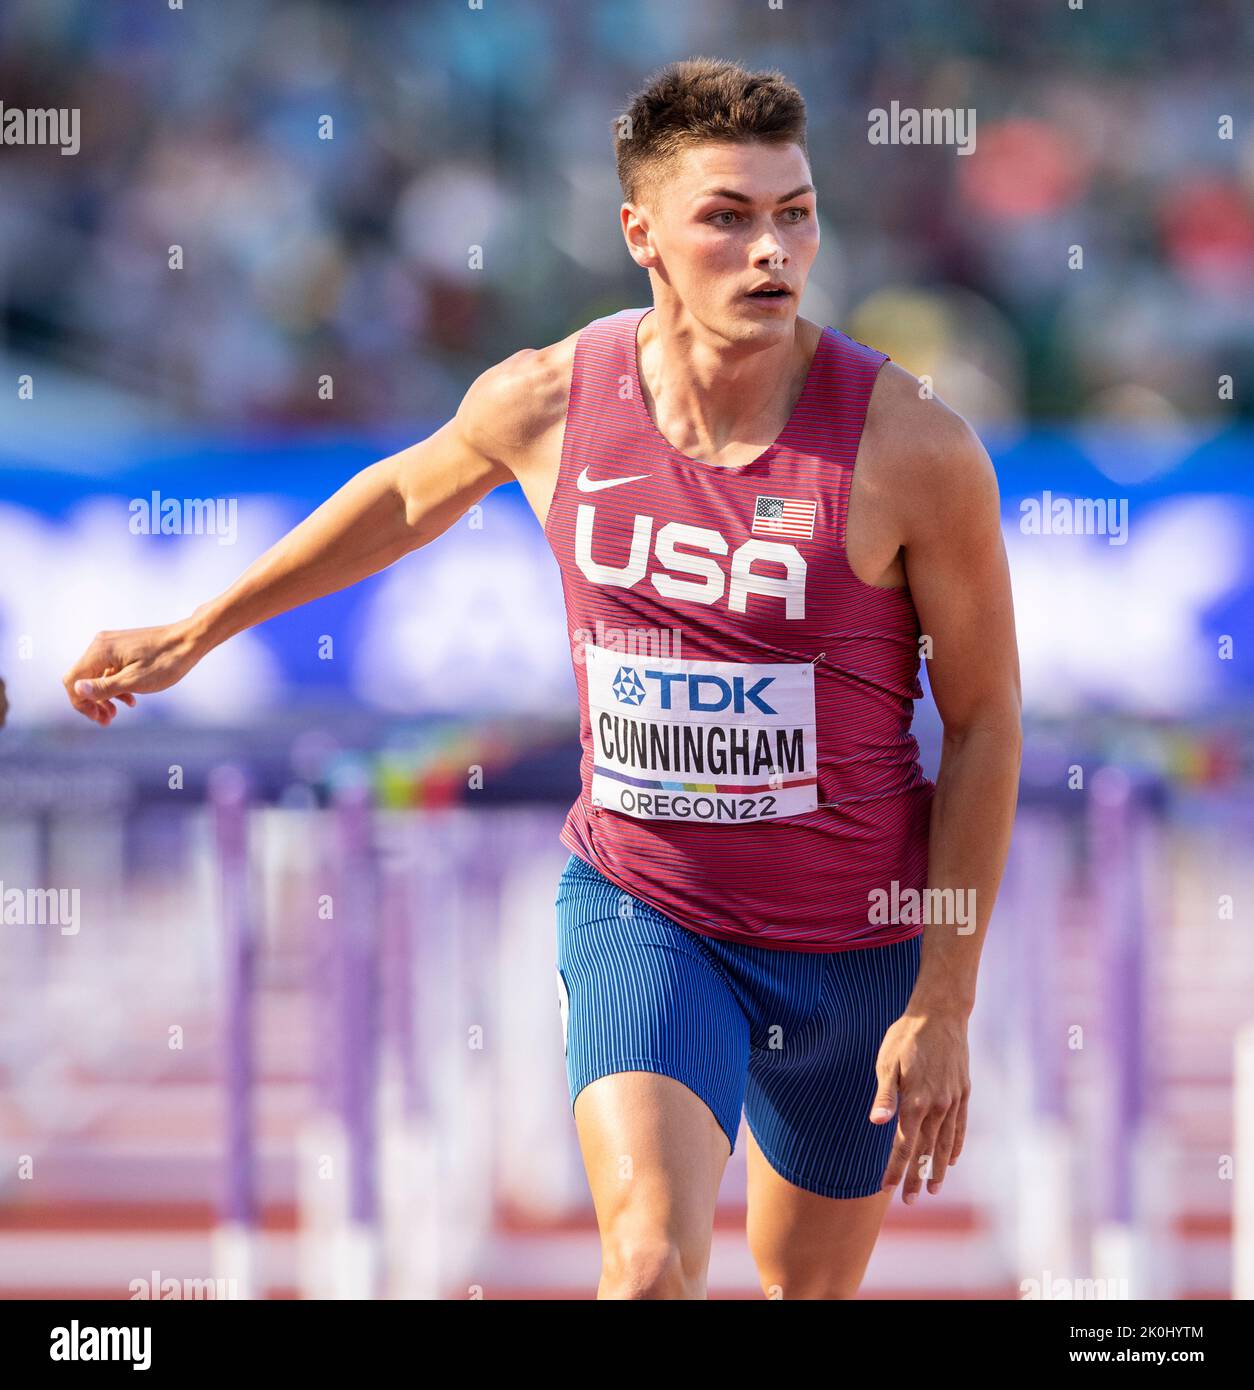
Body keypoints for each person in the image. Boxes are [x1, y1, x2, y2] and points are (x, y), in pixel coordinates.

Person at [63, 57, 1022, 1300]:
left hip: (856, 944)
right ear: (642, 236)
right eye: (726, 217)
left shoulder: (913, 448)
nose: (771, 251)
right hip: (649, 908)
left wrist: (945, 997)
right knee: (647, 1261)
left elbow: (985, 720)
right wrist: (201, 629)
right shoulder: (552, 397)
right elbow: (403, 498)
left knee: (805, 1286)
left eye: (795, 214)